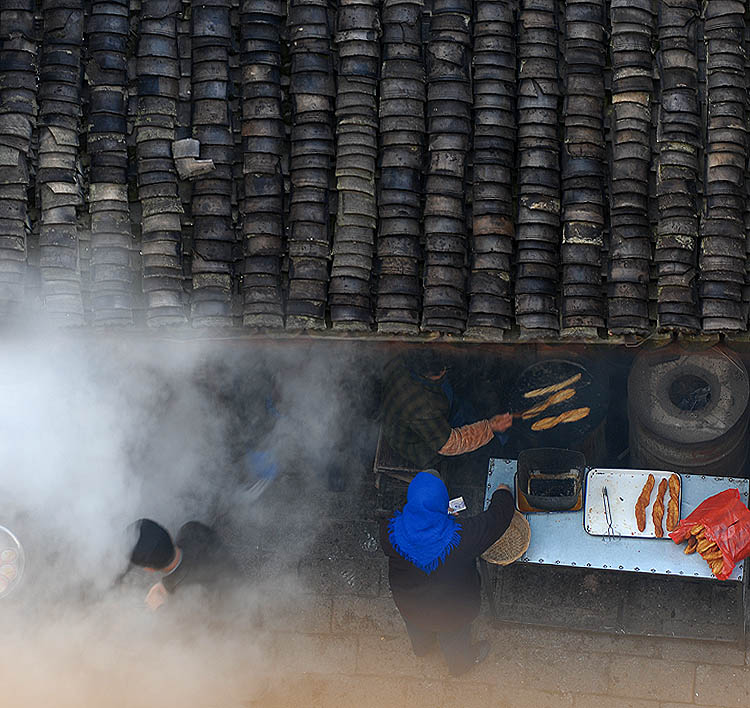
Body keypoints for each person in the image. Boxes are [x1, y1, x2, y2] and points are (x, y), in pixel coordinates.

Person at [380, 471, 515, 676]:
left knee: (417, 627)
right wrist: (503, 493)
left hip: (409, 604)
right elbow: (497, 519)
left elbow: (417, 535)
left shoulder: (389, 531)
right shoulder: (463, 536)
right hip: (453, 612)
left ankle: (422, 649)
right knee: (454, 638)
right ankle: (460, 666)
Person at [381, 350, 513, 469]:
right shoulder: (424, 408)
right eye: (440, 372)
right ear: (425, 375)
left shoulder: (402, 359)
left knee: (464, 408)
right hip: (419, 444)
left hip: (430, 412)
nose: (444, 371)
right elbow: (451, 444)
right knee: (483, 451)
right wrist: (489, 427)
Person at [129, 518, 239, 610]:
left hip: (233, 599)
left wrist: (160, 609)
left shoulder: (187, 598)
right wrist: (166, 584)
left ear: (149, 569)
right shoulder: (191, 529)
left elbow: (190, 630)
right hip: (234, 571)